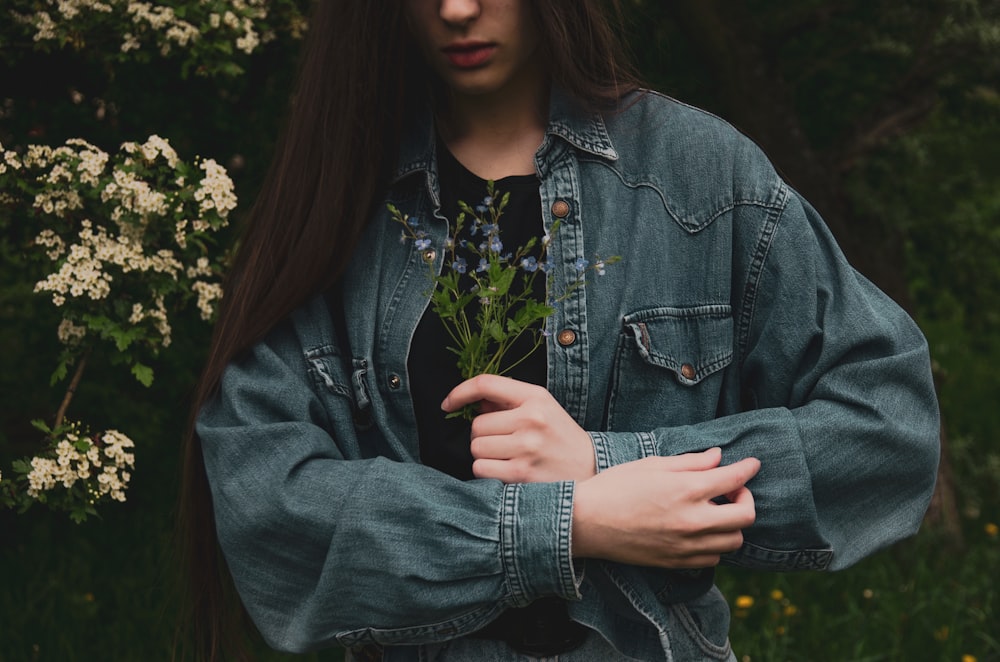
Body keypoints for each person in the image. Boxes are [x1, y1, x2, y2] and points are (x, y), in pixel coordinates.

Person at [178, 1, 941, 660]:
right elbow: (267, 505)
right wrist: (573, 522)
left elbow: (889, 426)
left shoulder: (700, 178)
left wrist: (608, 461)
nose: (455, 10)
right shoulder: (337, 202)